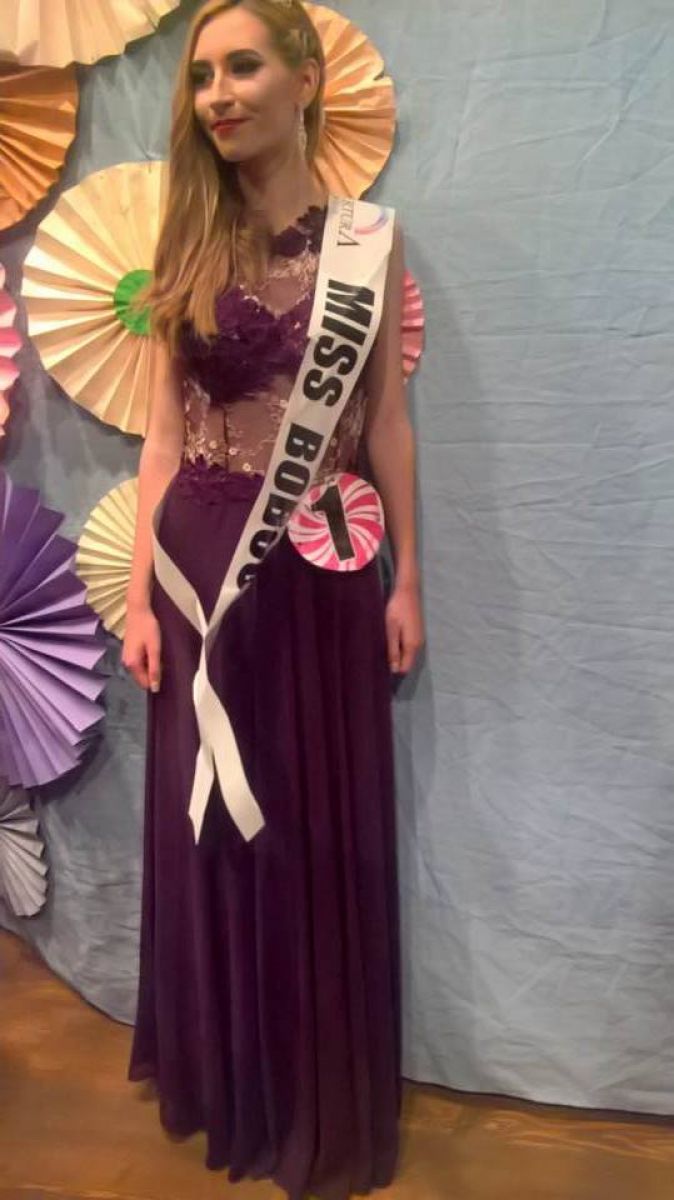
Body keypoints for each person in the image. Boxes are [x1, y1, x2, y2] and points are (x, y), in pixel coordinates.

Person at [122, 2, 424, 1197]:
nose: (217, 95)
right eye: (201, 76)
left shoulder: (367, 243)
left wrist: (411, 576)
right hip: (198, 574)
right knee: (212, 820)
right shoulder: (182, 243)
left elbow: (386, 423)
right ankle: (228, 1079)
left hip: (320, 572)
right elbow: (158, 441)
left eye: (241, 66)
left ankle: (305, 1086)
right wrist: (139, 600)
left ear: (304, 79)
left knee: (306, 822)